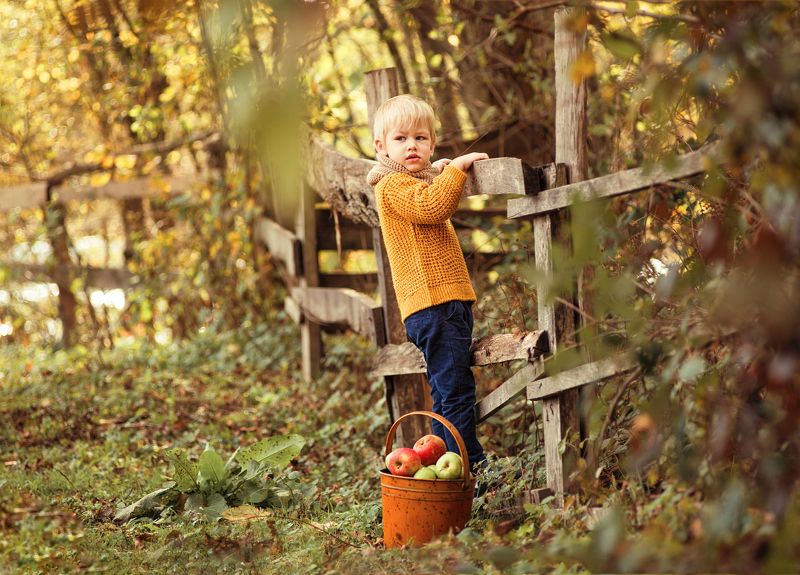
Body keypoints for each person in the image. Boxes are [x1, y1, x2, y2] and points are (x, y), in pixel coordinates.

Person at [367, 94, 489, 474]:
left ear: (432, 143)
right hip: (434, 307)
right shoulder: (391, 187)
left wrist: (436, 170)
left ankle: (443, 469)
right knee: (455, 394)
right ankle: (471, 470)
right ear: (381, 147)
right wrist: (458, 169)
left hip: (444, 304)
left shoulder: (409, 182)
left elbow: (424, 190)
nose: (411, 146)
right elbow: (431, 206)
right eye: (401, 139)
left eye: (421, 138)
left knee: (447, 390)